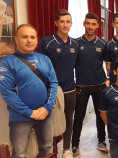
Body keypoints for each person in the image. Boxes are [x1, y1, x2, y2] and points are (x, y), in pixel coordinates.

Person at [0, 24, 58, 158]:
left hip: (45, 115)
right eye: (24, 37)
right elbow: (7, 93)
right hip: (20, 117)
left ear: (37, 39)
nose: (29, 40)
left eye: (32, 37)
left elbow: (53, 83)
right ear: (16, 39)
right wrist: (29, 112)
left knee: (47, 150)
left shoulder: (45, 59)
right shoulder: (7, 62)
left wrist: (47, 108)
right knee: (19, 154)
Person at [38, 9, 78, 158]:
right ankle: (52, 151)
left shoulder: (74, 44)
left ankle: (66, 149)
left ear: (71, 24)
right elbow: (40, 67)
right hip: (52, 90)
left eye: (68, 22)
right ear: (56, 23)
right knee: (53, 121)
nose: (65, 24)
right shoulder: (47, 42)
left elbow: (77, 66)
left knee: (68, 120)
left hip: (70, 90)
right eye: (62, 21)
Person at [71, 13, 108, 157]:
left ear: (97, 25)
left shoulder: (102, 43)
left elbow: (108, 63)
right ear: (84, 24)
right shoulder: (76, 43)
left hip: (99, 85)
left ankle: (101, 141)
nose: (90, 26)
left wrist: (108, 79)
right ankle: (75, 145)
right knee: (79, 117)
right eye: (88, 23)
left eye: (93, 24)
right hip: (81, 86)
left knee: (101, 115)